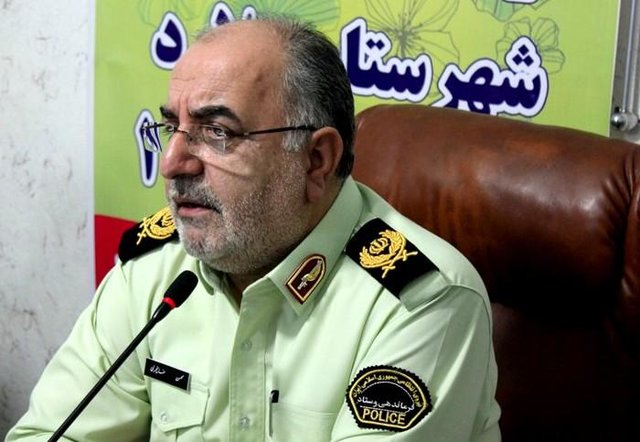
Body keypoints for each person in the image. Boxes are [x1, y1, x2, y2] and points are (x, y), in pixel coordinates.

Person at [6, 16, 501, 441]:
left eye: (217, 132)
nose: (172, 163)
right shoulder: (155, 270)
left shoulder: (422, 303)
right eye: (172, 128)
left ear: (316, 160)